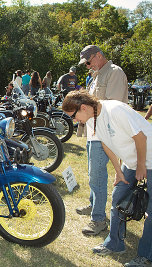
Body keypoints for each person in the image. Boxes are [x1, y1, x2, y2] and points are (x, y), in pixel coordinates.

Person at [62, 90, 152, 266]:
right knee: (118, 199)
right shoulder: (92, 119)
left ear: (84, 107)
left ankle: (147, 256)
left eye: (73, 116)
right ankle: (115, 244)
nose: (74, 121)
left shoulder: (115, 110)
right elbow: (106, 144)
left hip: (148, 158)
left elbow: (140, 137)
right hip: (132, 163)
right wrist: (119, 171)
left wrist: (141, 165)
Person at [75, 45, 128, 236]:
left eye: (89, 62)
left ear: (98, 56)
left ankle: (98, 219)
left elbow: (113, 106)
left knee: (97, 175)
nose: (88, 66)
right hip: (94, 131)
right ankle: (93, 204)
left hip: (105, 132)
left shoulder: (114, 73)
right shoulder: (97, 74)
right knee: (92, 173)